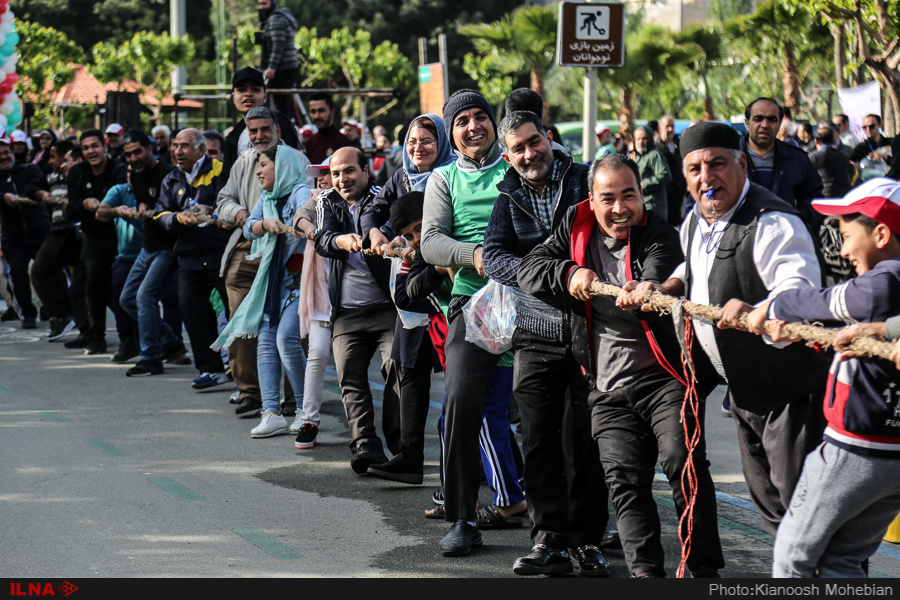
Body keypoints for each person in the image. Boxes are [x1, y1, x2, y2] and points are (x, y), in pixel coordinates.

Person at [518, 153, 724, 578]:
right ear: (590, 201)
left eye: (629, 196)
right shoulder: (573, 230)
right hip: (608, 389)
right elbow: (530, 269)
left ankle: (703, 571)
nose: (619, 208)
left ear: (642, 197)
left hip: (667, 379)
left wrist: (649, 287)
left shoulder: (658, 233)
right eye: (608, 198)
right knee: (626, 484)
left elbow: (660, 270)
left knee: (680, 463)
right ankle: (646, 575)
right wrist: (568, 273)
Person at [638, 121, 830, 538]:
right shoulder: (695, 221)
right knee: (776, 514)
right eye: (695, 169)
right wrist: (667, 285)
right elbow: (692, 269)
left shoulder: (774, 222)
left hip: (790, 396)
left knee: (808, 516)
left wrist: (761, 307)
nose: (706, 178)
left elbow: (800, 291)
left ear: (742, 164)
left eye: (717, 164)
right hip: (743, 393)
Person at [745, 177, 900, 577]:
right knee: (841, 561)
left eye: (848, 236)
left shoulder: (882, 284)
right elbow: (842, 329)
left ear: (881, 233)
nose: (844, 250)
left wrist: (775, 302)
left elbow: (816, 301)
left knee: (791, 556)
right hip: (891, 458)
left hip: (858, 447)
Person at [483, 111, 613, 577]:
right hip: (533, 334)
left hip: (590, 328)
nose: (528, 154)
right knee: (536, 440)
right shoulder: (507, 194)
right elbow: (493, 255)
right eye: (518, 148)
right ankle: (548, 542)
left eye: (534, 142)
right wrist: (543, 272)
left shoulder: (584, 182)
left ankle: (588, 542)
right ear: (507, 156)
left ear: (548, 139)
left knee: (586, 441)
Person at [420, 89, 526, 557]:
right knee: (460, 404)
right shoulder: (443, 179)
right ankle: (462, 517)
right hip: (471, 304)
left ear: (494, 124)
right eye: (461, 121)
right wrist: (476, 255)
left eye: (480, 117)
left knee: (564, 406)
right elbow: (431, 243)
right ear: (452, 132)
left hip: (530, 302)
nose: (472, 127)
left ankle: (581, 520)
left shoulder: (518, 165)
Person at [357, 113, 455, 483]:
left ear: (443, 143)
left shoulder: (454, 175)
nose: (418, 148)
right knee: (409, 371)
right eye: (412, 141)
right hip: (414, 292)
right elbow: (375, 212)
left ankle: (480, 462)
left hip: (448, 287)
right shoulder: (399, 177)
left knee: (465, 381)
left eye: (427, 141)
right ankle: (409, 456)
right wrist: (377, 234)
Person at [217, 106, 312, 417]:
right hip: (248, 247)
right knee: (244, 322)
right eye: (252, 131)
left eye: (264, 130)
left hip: (287, 253)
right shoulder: (243, 163)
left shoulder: (296, 163)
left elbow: (306, 207)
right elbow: (226, 201)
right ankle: (252, 394)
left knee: (288, 333)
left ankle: (297, 401)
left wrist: (295, 224)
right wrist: (244, 216)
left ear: (278, 132)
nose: (258, 136)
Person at [314, 146, 400, 473]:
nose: (342, 179)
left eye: (349, 170)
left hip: (387, 308)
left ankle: (400, 443)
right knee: (349, 373)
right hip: (346, 312)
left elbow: (391, 231)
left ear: (366, 170)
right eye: (336, 173)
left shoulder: (381, 199)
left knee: (397, 369)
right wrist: (341, 241)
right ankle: (365, 444)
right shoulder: (327, 201)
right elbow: (322, 240)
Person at [153, 129, 231, 391]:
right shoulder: (171, 178)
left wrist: (212, 211)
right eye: (175, 146)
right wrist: (177, 218)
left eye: (184, 146)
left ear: (201, 149)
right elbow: (159, 214)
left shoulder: (221, 169)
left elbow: (232, 203)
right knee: (191, 308)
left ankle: (244, 373)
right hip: (189, 258)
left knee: (236, 312)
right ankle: (211, 369)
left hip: (222, 255)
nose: (177, 151)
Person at [113, 130, 186, 377]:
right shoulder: (135, 175)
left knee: (144, 297)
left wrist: (153, 210)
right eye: (128, 154)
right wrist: (139, 208)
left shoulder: (169, 174)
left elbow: (177, 211)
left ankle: (151, 358)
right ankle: (171, 343)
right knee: (128, 298)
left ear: (150, 148)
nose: (132, 158)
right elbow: (145, 204)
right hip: (148, 246)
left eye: (137, 152)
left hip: (168, 248)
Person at [65, 129, 128, 354]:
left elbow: (125, 204)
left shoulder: (120, 170)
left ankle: (130, 338)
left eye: (95, 146)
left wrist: (103, 207)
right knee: (93, 284)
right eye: (86, 147)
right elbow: (69, 211)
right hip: (92, 238)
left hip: (120, 237)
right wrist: (83, 205)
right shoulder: (76, 173)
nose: (91, 151)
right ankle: (96, 336)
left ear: (105, 147)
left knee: (122, 288)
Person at [30, 139, 87, 341]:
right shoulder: (52, 176)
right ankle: (61, 315)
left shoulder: (80, 176)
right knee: (39, 270)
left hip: (78, 235)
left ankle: (89, 329)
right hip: (58, 233)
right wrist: (40, 193)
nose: (53, 162)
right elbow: (31, 187)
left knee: (82, 286)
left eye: (54, 157)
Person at [740, 98, 824, 230]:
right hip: (739, 243)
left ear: (779, 125)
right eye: (758, 119)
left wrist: (797, 222)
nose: (765, 125)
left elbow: (814, 197)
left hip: (785, 241)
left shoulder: (796, 158)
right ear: (747, 123)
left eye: (772, 119)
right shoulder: (729, 159)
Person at [0, 137, 51, 330]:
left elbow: (39, 186)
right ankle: (27, 315)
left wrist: (32, 193)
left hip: (39, 230)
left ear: (13, 153)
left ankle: (54, 308)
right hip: (13, 236)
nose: (4, 157)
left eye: (7, 153)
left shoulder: (30, 170)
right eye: (0, 155)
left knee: (47, 271)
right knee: (18, 272)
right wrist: (3, 197)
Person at [223, 67, 299, 184]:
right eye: (242, 90)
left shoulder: (280, 123)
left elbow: (291, 163)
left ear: (265, 96)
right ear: (233, 97)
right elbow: (225, 180)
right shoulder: (233, 137)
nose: (248, 94)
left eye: (255, 89)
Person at [257, 0, 301, 123]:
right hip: (285, 67)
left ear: (273, 3)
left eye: (264, 3)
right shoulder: (277, 18)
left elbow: (278, 44)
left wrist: (271, 67)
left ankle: (285, 131)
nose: (262, 7)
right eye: (260, 4)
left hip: (282, 69)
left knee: (280, 105)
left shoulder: (277, 19)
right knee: (282, 104)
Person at [630, 125, 672, 222]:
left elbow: (665, 175)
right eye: (638, 139)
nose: (641, 142)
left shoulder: (654, 155)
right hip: (642, 207)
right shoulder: (639, 157)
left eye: (644, 138)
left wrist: (644, 184)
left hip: (654, 208)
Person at [303, 93, 352, 164]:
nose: (317, 116)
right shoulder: (310, 142)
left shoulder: (342, 142)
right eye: (313, 111)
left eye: (321, 110)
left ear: (332, 112)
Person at [809, 126, 853, 199]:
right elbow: (850, 173)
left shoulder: (814, 157)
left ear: (815, 141)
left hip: (824, 198)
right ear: (833, 139)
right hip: (845, 197)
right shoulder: (844, 156)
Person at [658, 116, 687, 225]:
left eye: (672, 126)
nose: (670, 129)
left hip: (681, 192)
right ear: (661, 128)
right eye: (667, 126)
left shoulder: (679, 145)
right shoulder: (657, 148)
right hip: (666, 195)